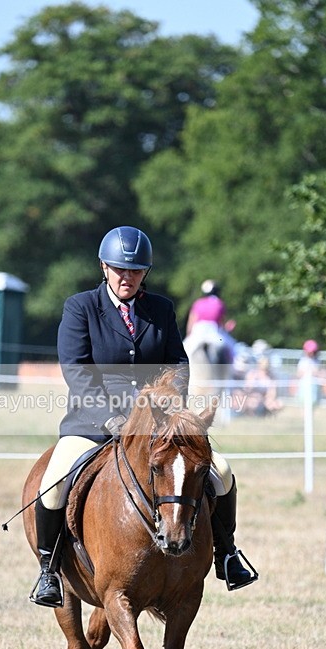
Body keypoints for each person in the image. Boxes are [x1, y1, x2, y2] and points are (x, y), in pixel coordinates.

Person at [31, 226, 258, 607]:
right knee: (53, 484)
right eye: (120, 269)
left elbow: (178, 365)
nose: (127, 277)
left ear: (145, 274)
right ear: (104, 267)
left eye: (135, 271)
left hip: (157, 426)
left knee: (221, 471)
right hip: (92, 424)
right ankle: (48, 571)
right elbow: (77, 371)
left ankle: (228, 555)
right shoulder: (81, 307)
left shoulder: (161, 310)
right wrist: (112, 419)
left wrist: (169, 410)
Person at [297, 339, 326, 406]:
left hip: (314, 386)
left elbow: (321, 373)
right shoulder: (303, 361)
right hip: (304, 386)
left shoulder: (317, 361)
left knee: (313, 403)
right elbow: (299, 374)